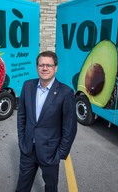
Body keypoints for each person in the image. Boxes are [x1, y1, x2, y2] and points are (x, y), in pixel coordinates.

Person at [15, 51, 78, 192]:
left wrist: (60, 153)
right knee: (22, 186)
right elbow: (21, 116)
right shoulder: (27, 86)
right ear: (37, 67)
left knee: (50, 187)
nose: (45, 68)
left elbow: (70, 127)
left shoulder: (66, 92)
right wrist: (22, 140)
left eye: (49, 65)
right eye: (41, 65)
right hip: (28, 149)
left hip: (50, 152)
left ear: (56, 68)